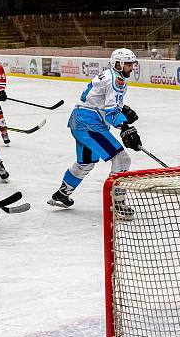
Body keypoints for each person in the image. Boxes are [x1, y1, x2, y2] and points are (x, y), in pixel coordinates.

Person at [48, 49, 141, 218]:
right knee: (122, 159)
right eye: (128, 64)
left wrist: (123, 110)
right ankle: (117, 203)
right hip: (89, 124)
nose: (131, 68)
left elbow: (100, 100)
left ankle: (62, 194)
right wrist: (125, 127)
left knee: (86, 163)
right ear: (118, 64)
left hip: (79, 119)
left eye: (132, 64)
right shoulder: (116, 79)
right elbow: (111, 112)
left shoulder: (109, 74)